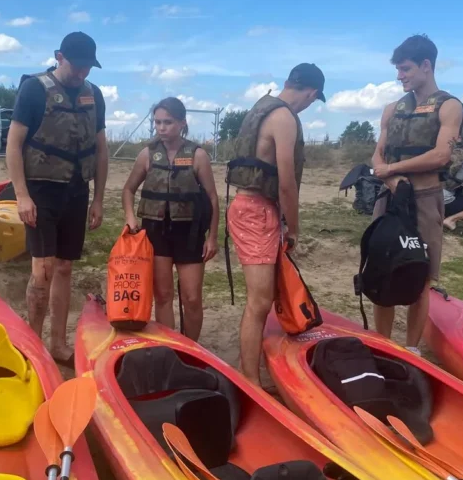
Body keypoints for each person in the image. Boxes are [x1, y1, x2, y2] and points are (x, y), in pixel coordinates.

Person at [6, 32, 109, 362]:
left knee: (64, 267)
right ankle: (33, 345)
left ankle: (58, 343)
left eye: (87, 67)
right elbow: (14, 144)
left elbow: (101, 149)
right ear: (59, 57)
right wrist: (21, 195)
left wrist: (98, 199)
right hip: (40, 189)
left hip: (76, 189)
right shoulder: (34, 89)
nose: (81, 73)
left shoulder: (94, 95)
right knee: (43, 269)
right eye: (77, 65)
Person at [226, 63, 325, 385]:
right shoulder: (284, 118)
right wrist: (293, 228)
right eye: (313, 100)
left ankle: (249, 369)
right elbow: (286, 184)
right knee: (258, 303)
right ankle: (249, 379)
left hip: (252, 207)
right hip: (255, 210)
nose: (309, 105)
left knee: (262, 300)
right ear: (311, 93)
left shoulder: (264, 107)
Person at [371, 35, 462, 353]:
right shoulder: (391, 109)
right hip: (389, 200)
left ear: (426, 65)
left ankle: (411, 350)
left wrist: (393, 170)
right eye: (398, 69)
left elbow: (441, 155)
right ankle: (383, 346)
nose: (400, 76)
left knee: (420, 276)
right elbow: (378, 154)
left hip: (424, 199)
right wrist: (388, 176)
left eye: (405, 69)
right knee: (383, 270)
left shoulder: (449, 106)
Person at [122, 97, 219, 340]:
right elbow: (128, 190)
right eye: (157, 122)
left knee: (192, 298)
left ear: (182, 123)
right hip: (156, 233)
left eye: (168, 122)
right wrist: (130, 217)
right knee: (163, 295)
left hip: (189, 234)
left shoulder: (198, 155)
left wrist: (212, 238)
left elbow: (212, 198)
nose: (162, 127)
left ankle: (191, 346)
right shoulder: (147, 154)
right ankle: (170, 345)